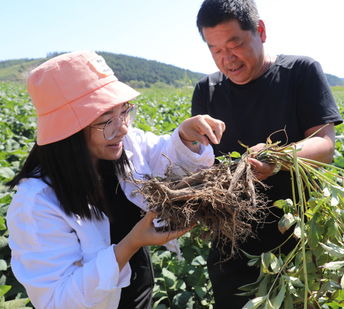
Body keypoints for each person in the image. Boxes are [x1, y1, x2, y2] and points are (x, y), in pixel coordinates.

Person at [6, 51, 225, 309]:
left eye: (124, 112)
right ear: (67, 131)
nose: (122, 127)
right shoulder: (35, 204)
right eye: (106, 120)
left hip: (140, 296)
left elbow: (163, 155)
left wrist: (185, 137)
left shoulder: (123, 145)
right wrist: (131, 244)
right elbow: (58, 300)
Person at [192, 0, 343, 308]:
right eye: (215, 49)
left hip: (296, 242)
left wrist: (278, 158)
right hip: (231, 245)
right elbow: (204, 160)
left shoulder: (300, 73)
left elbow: (325, 143)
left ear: (260, 31)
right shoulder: (207, 90)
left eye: (234, 44)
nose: (226, 59)